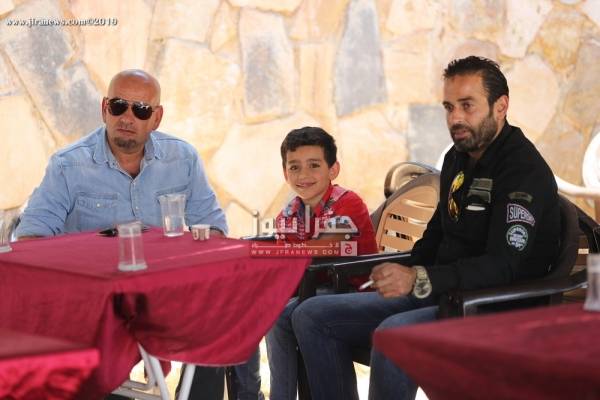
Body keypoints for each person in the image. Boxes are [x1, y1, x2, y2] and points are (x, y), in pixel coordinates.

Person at [290, 56, 561, 400]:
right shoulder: (457, 158)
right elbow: (436, 237)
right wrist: (397, 270)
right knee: (310, 315)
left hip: (493, 308)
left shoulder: (522, 169)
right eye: (449, 107)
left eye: (467, 105)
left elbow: (502, 266)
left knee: (394, 337)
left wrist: (419, 278)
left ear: (501, 106)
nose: (455, 118)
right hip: (441, 295)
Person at [15, 69, 228, 400]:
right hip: (94, 302)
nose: (127, 118)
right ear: (104, 109)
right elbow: (31, 240)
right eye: (118, 106)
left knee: (224, 313)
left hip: (164, 293)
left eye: (140, 110)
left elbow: (213, 226)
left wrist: (194, 260)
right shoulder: (68, 166)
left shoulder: (182, 159)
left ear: (156, 118)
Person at [239, 126, 376, 400]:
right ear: (285, 173)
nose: (303, 175)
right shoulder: (289, 214)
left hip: (357, 292)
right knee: (255, 305)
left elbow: (323, 248)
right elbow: (288, 266)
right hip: (316, 290)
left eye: (314, 165)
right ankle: (253, 394)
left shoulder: (348, 203)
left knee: (280, 313)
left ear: (333, 170)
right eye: (295, 167)